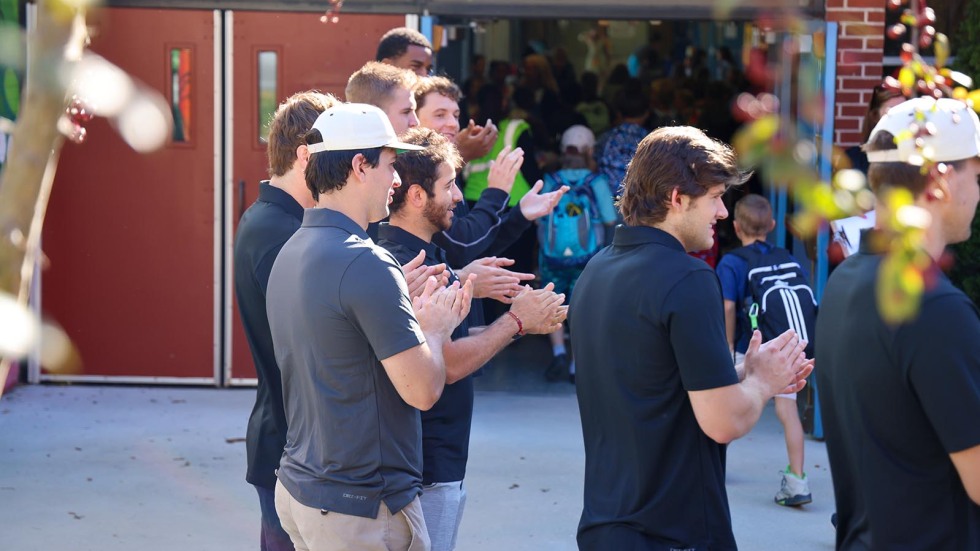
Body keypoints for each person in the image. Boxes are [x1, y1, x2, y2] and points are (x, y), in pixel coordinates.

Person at [571, 126, 813, 549]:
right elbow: (724, 421)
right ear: (677, 198)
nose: (723, 212)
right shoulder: (689, 277)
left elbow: (652, 378)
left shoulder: (596, 270)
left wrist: (743, 368)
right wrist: (763, 383)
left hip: (605, 526)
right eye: (716, 198)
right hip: (673, 532)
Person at [267, 103, 472, 551]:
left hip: (304, 489)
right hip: (358, 508)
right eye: (390, 165)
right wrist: (434, 330)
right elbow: (422, 391)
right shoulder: (367, 260)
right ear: (360, 166)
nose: (396, 181)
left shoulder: (291, 249)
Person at [378, 127, 567, 550]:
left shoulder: (431, 253)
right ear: (416, 197)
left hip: (435, 456)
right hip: (424, 462)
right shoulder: (412, 263)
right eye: (449, 186)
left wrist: (525, 320)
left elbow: (459, 338)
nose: (459, 197)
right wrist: (516, 322)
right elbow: (448, 362)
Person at [816, 96, 980, 550]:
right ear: (941, 181)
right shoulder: (935, 307)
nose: (979, 193)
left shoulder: (845, 280)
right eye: (977, 175)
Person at [233, 91, 336, 551]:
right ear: (305, 155)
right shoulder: (281, 232)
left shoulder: (274, 220)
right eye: (338, 156)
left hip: (288, 442)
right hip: (294, 450)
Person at [716, 194, 813, 507]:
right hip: (784, 346)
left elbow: (729, 306)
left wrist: (728, 345)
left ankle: (714, 469)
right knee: (788, 413)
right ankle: (797, 481)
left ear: (735, 226)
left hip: (750, 346)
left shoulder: (732, 262)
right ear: (771, 225)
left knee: (724, 404)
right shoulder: (787, 256)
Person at [537, 125, 616, 383]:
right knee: (582, 307)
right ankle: (575, 365)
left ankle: (558, 353)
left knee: (553, 302)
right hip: (589, 259)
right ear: (589, 150)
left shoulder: (551, 180)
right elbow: (608, 218)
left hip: (551, 256)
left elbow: (538, 219)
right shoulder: (597, 182)